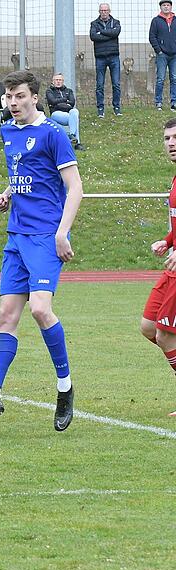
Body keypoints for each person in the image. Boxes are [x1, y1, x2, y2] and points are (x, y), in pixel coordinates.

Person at [0, 70, 83, 432]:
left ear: (34, 98)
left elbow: (75, 187)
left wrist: (62, 233)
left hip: (45, 235)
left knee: (41, 309)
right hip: (16, 235)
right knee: (5, 314)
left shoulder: (53, 134)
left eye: (19, 96)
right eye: (8, 97)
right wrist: (8, 193)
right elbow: (25, 174)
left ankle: (65, 388)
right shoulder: (8, 132)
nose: (13, 103)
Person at [141, 118, 176, 416]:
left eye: (175, 137)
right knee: (149, 327)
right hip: (172, 267)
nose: (171, 143)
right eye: (166, 139)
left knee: (166, 336)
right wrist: (167, 240)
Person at [90, 3, 122, 118]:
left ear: (109, 11)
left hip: (114, 57)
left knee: (116, 84)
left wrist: (102, 32)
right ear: (99, 11)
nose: (104, 12)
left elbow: (116, 33)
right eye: (102, 10)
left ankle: (117, 107)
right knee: (99, 85)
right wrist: (109, 33)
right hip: (100, 58)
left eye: (106, 10)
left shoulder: (116, 22)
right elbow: (93, 36)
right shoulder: (94, 24)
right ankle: (100, 108)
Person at [45, 73, 84, 151]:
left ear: (63, 81)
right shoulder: (49, 91)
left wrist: (59, 102)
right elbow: (52, 101)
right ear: (53, 81)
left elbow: (72, 103)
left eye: (60, 80)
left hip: (69, 113)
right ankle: (77, 143)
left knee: (75, 111)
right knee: (74, 119)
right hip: (56, 113)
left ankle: (72, 135)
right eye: (56, 80)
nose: (58, 82)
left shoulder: (68, 91)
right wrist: (65, 100)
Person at [150, 0, 176, 111]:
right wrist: (159, 50)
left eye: (168, 5)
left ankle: (174, 102)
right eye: (164, 5)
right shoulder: (156, 21)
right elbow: (152, 37)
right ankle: (158, 102)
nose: (166, 7)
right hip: (162, 55)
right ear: (161, 7)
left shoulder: (175, 20)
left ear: (171, 7)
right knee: (160, 79)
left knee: (174, 78)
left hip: (174, 55)